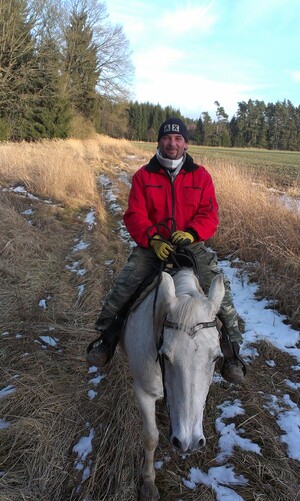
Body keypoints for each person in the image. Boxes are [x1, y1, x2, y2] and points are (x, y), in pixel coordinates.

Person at [87, 117, 246, 384]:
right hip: (154, 246)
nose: (172, 143)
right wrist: (153, 239)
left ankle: (232, 352)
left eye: (178, 138)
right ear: (159, 141)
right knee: (125, 286)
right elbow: (134, 214)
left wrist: (192, 233)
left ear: (185, 143)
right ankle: (107, 337)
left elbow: (210, 214)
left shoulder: (201, 176)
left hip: (191, 245)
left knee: (221, 292)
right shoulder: (143, 176)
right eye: (167, 138)